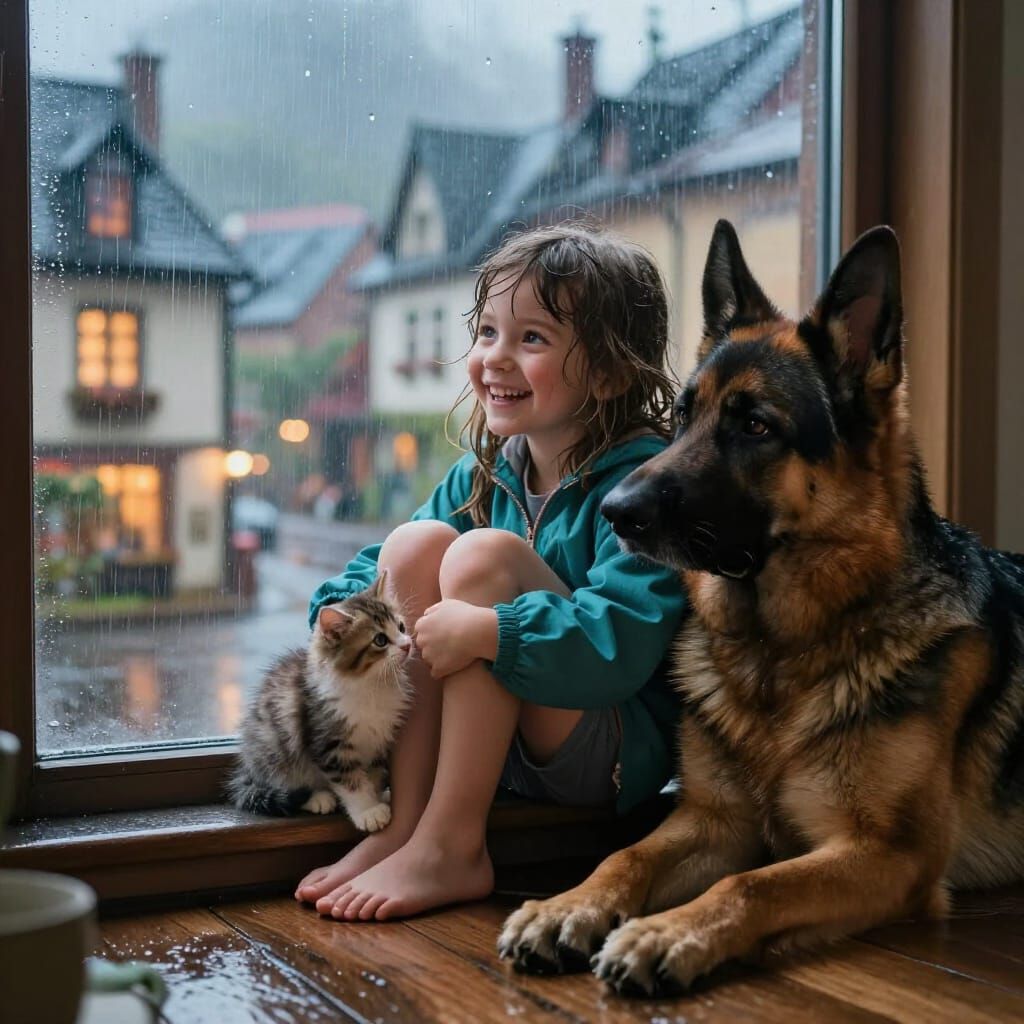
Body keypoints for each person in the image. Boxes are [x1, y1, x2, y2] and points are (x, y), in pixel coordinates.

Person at [294, 223, 688, 921]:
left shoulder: (643, 488)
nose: (494, 359)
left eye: (531, 339)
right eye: (487, 333)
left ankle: (452, 845)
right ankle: (408, 829)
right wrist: (335, 617)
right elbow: (380, 565)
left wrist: (493, 632)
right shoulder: (486, 472)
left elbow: (620, 644)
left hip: (603, 749)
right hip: (491, 748)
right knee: (419, 543)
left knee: (482, 557)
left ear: (609, 371)